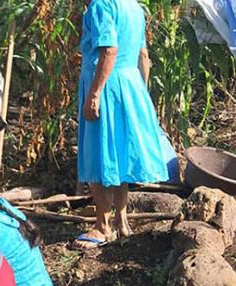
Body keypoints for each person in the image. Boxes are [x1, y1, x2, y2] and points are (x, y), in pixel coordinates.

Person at [74, 0, 174, 249]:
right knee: (119, 153)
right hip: (129, 84)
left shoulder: (101, 6)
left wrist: (95, 93)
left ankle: (101, 226)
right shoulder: (134, 7)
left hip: (105, 86)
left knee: (96, 152)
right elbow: (143, 54)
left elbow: (109, 49)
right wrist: (140, 90)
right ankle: (122, 221)